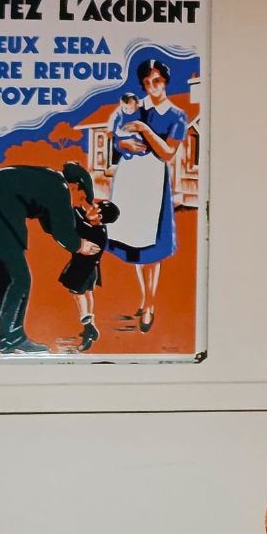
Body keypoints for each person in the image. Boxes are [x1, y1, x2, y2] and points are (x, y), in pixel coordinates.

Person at [0, 162, 101, 354]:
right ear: (76, 185)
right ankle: (11, 338)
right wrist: (81, 245)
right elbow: (61, 229)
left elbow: (49, 222)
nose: (77, 204)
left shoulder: (41, 177)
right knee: (17, 277)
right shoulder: (59, 186)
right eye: (81, 198)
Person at [106, 59, 188, 333]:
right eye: (147, 82)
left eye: (157, 81)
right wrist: (123, 143)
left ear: (165, 81)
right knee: (136, 241)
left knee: (153, 246)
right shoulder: (135, 106)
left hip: (154, 181)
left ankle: (150, 303)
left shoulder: (176, 115)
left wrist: (145, 130)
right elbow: (116, 132)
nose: (153, 87)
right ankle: (145, 298)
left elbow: (167, 152)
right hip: (132, 179)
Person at [59, 199, 120, 352]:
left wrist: (72, 209)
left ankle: (88, 327)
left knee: (78, 294)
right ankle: (91, 324)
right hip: (91, 270)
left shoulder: (94, 231)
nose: (90, 208)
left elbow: (79, 224)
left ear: (99, 217)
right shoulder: (98, 228)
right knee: (88, 293)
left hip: (82, 270)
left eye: (94, 209)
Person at [108, 93, 145, 164]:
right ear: (121, 105)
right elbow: (112, 122)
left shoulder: (139, 110)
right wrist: (111, 130)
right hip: (121, 133)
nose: (128, 111)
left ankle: (140, 150)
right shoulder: (119, 113)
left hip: (134, 132)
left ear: (136, 105)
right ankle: (126, 152)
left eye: (131, 108)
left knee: (138, 138)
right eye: (126, 108)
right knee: (118, 144)